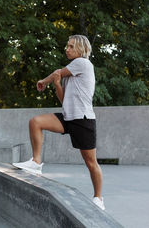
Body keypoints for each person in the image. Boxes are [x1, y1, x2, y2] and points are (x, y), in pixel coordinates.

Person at [12, 35, 105, 210]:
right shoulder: (71, 73)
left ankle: (99, 198)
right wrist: (56, 84)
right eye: (67, 46)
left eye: (70, 46)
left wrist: (44, 81)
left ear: (80, 49)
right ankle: (36, 162)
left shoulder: (82, 63)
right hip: (68, 116)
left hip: (83, 120)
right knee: (35, 122)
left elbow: (57, 72)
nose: (67, 49)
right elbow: (64, 100)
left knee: (91, 162)